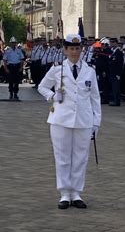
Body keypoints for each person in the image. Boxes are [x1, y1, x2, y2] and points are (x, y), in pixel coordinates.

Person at [38, 34, 101, 210]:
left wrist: (96, 122)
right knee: (63, 157)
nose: (74, 52)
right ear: (65, 50)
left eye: (77, 48)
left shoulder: (90, 70)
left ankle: (76, 192)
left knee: (81, 158)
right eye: (71, 48)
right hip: (60, 119)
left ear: (81, 49)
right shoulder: (57, 69)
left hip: (84, 120)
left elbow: (95, 98)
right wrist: (52, 96)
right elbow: (42, 86)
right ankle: (65, 193)